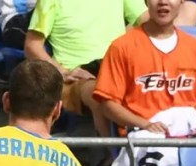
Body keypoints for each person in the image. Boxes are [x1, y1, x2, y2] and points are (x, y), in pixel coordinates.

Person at [93, 0, 196, 136]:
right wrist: (145, 124)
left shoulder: (195, 47)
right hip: (144, 132)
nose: (163, 2)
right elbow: (108, 104)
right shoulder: (121, 47)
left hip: (190, 129)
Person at [25, 0, 149, 136]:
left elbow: (148, 21)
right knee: (99, 93)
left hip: (116, 69)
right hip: (75, 77)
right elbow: (32, 46)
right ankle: (112, 148)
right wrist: (63, 72)